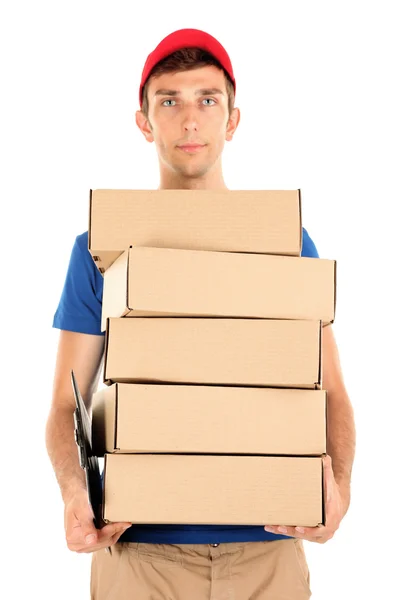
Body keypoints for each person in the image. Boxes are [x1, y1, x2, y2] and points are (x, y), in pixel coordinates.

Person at [46, 27, 356, 600]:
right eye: (170, 101)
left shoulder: (286, 242)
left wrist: (339, 485)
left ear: (233, 119)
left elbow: (332, 390)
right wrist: (72, 490)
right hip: (140, 558)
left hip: (269, 552)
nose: (190, 120)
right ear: (144, 121)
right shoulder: (98, 248)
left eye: (208, 100)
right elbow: (66, 402)